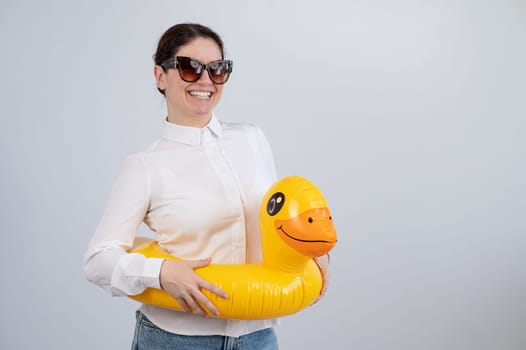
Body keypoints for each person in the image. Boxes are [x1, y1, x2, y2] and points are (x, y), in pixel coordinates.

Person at [84, 23, 330, 350]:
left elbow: (275, 216)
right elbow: (98, 260)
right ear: (160, 76)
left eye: (217, 69)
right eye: (189, 68)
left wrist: (311, 251)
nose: (205, 80)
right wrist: (161, 273)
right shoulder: (145, 167)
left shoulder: (253, 139)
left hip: (258, 336)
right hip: (177, 340)